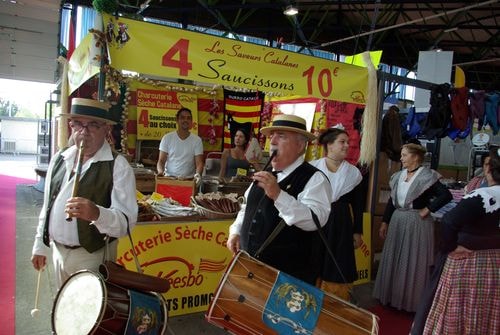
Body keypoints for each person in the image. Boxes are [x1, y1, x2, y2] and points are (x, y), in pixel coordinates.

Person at [31, 98, 138, 289]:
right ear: (71, 125)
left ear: (106, 130)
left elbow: (126, 225)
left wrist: (97, 213)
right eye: (78, 124)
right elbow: (47, 207)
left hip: (92, 256)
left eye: (93, 125)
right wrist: (40, 245)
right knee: (63, 310)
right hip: (58, 251)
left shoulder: (118, 166)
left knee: (88, 315)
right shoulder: (59, 158)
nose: (84, 132)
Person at [226, 114, 332, 285]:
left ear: (300, 145)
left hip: (289, 279)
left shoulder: (314, 179)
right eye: (272, 135)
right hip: (251, 271)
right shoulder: (267, 173)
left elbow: (316, 220)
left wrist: (278, 195)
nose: (273, 141)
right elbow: (246, 208)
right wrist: (236, 231)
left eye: (281, 136)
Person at [411, 146, 500, 335]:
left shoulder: (482, 196)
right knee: (487, 307)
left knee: (461, 305)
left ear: (488, 170)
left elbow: (450, 221)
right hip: (494, 262)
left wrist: (451, 247)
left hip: (468, 262)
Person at [373, 142, 452, 312]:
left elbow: (446, 195)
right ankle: (391, 297)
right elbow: (391, 202)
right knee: (395, 258)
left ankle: (410, 301)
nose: (401, 158)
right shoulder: (398, 176)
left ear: (415, 157)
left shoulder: (427, 176)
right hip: (397, 221)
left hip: (417, 223)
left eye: (404, 155)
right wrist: (385, 222)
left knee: (412, 260)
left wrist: (428, 209)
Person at [309, 126, 364, 301]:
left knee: (338, 261)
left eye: (348, 142)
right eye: (342, 142)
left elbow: (358, 205)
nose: (347, 145)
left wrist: (357, 231)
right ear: (329, 145)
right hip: (316, 221)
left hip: (341, 224)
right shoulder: (312, 168)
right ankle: (311, 297)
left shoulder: (353, 173)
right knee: (314, 258)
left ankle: (335, 301)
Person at [157, 107, 204, 179]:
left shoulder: (197, 140)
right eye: (182, 118)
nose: (186, 120)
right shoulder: (167, 138)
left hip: (189, 180)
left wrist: (197, 175)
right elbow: (161, 161)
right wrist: (160, 172)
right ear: (177, 120)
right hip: (169, 179)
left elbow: (199, 163)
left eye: (188, 118)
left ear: (191, 121)